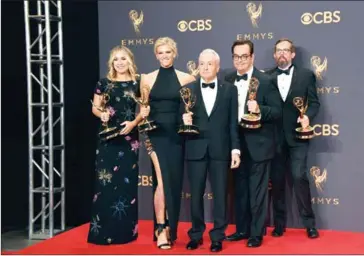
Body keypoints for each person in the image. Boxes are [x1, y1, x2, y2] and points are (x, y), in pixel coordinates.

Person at [224, 40, 282, 247]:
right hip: (235, 143)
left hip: (259, 143)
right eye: (236, 56)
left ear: (252, 57)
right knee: (239, 189)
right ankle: (241, 229)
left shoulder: (266, 80)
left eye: (244, 56)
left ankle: (256, 233)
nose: (240, 60)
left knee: (257, 191)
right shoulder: (227, 79)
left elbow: (277, 111)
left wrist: (259, 109)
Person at [182, 49, 241, 253]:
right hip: (195, 147)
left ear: (217, 66)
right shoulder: (187, 89)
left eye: (209, 64)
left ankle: (218, 236)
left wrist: (235, 150)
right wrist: (184, 119)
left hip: (220, 149)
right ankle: (196, 234)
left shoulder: (230, 90)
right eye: (202, 63)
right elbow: (180, 119)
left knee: (220, 195)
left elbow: (233, 123)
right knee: (196, 195)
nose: (205, 67)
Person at [140, 37, 195, 249]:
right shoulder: (147, 79)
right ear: (156, 55)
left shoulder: (186, 78)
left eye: (168, 52)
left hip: (177, 136)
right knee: (162, 181)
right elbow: (143, 108)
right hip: (155, 136)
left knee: (173, 182)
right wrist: (143, 114)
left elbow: (189, 108)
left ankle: (171, 226)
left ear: (175, 54)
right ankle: (162, 227)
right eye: (160, 53)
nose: (164, 56)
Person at [87, 45, 143, 245]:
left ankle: (126, 232)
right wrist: (100, 113)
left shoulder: (138, 82)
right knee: (106, 185)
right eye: (116, 59)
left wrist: (133, 123)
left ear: (130, 61)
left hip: (129, 139)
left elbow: (145, 110)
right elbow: (96, 107)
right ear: (111, 63)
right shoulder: (104, 83)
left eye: (123, 59)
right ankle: (102, 232)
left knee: (126, 186)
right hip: (107, 138)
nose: (119, 63)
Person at [265, 38, 320, 239]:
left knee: (299, 177)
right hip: (274, 138)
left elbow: (314, 103)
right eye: (278, 50)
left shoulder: (306, 76)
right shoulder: (267, 77)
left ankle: (309, 223)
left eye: (286, 50)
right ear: (274, 54)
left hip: (298, 136)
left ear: (293, 54)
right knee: (277, 181)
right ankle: (279, 224)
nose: (282, 54)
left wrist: (307, 116)